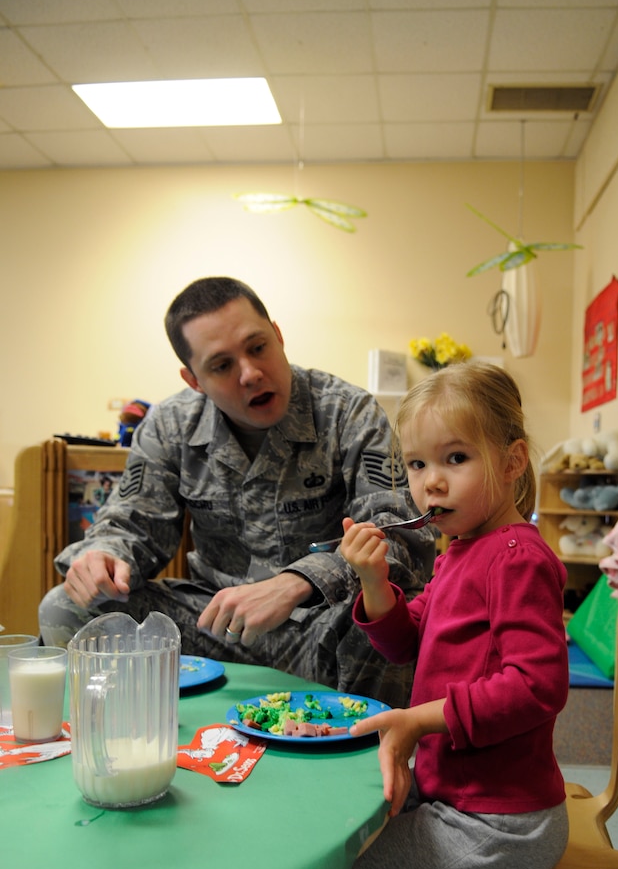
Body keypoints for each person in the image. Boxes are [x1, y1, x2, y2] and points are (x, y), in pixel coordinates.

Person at [303, 362, 569, 869]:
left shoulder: (514, 557)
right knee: (357, 851)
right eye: (418, 464)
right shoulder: (459, 551)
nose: (432, 482)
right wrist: (371, 579)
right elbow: (404, 641)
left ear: (511, 463)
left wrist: (419, 720)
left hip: (503, 819)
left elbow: (536, 685)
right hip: (459, 795)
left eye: (455, 458)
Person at [38, 277, 434, 705]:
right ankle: (124, 745)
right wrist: (103, 557)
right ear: (194, 380)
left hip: (326, 627)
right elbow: (131, 522)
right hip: (215, 627)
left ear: (279, 337)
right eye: (222, 365)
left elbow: (399, 535)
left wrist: (298, 581)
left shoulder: (347, 412)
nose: (250, 374)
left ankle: (369, 757)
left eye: (258, 347)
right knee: (68, 607)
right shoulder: (170, 426)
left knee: (386, 615)